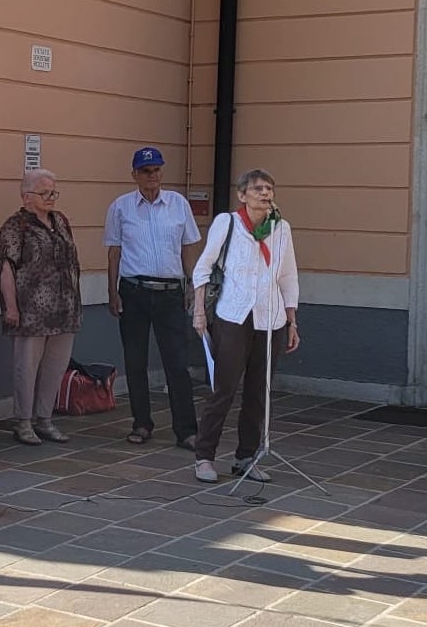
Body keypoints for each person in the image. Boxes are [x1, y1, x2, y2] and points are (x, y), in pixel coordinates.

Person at [190, 169, 299, 484]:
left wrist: (291, 320)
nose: (264, 193)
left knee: (258, 393)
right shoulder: (228, 224)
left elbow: (288, 277)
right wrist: (199, 313)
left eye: (269, 188)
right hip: (234, 316)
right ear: (242, 195)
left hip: (271, 318)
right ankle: (204, 457)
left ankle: (246, 457)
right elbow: (203, 269)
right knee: (224, 389)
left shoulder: (281, 228)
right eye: (257, 189)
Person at [105, 146, 200, 448]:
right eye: (146, 171)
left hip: (170, 293)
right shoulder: (120, 207)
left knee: (177, 364)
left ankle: (186, 430)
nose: (153, 176)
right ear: (134, 174)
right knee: (135, 362)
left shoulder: (178, 204)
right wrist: (112, 292)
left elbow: (187, 247)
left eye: (157, 170)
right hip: (133, 291)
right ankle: (141, 422)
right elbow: (114, 252)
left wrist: (192, 285)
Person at [0, 168, 82, 447]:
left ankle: (45, 419)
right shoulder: (15, 226)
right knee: (27, 368)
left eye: (53, 191)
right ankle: (23, 421)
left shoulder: (61, 221)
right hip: (31, 311)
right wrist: (11, 307)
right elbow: (6, 267)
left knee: (55, 367)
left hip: (64, 309)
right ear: (26, 196)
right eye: (44, 192)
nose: (51, 197)